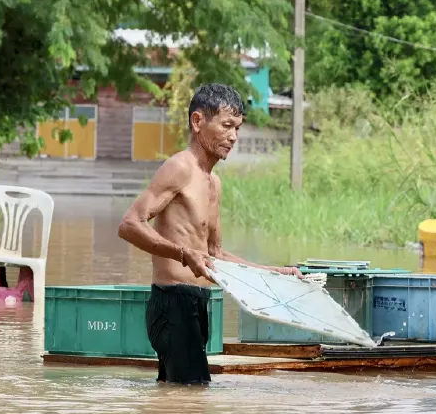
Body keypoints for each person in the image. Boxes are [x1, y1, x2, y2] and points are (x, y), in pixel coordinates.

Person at [118, 83, 302, 385]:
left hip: (197, 302)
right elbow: (129, 224)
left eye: (238, 128)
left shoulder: (213, 183)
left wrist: (274, 272)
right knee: (193, 399)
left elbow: (216, 254)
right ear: (198, 121)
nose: (233, 137)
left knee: (178, 402)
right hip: (171, 302)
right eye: (226, 125)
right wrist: (181, 253)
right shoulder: (179, 167)